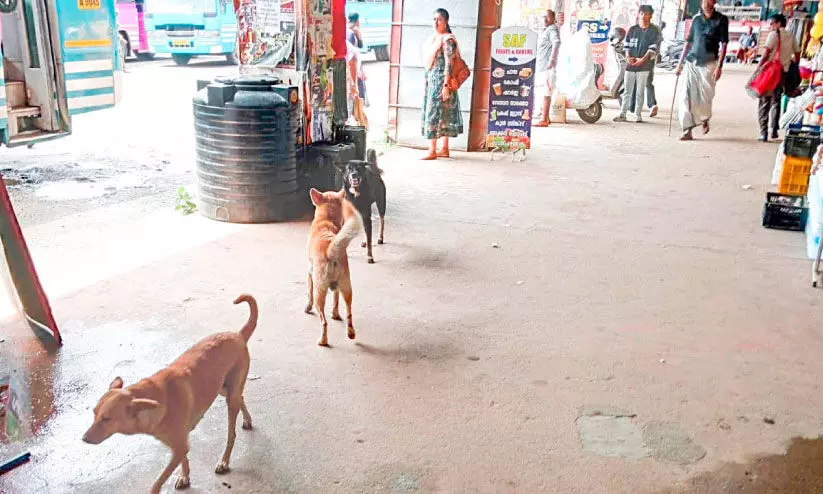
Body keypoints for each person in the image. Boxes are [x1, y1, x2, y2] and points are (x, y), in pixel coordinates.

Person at [675, 0, 728, 141]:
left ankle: (704, 118)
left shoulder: (721, 20)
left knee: (705, 96)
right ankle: (687, 130)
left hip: (710, 63)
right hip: (691, 61)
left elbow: (724, 44)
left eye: (709, 0)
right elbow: (689, 42)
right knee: (686, 96)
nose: (706, 3)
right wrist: (680, 63)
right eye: (704, 0)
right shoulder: (697, 20)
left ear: (714, 2)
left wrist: (719, 67)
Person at [421, 8, 464, 160]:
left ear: (446, 22)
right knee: (442, 115)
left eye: (439, 19)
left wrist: (446, 86)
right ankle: (443, 149)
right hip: (433, 81)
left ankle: (433, 150)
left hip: (442, 82)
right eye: (434, 19)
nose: (436, 22)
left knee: (435, 115)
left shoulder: (447, 40)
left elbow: (449, 63)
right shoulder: (434, 38)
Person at [756, 13, 800, 142]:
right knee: (776, 101)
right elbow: (797, 53)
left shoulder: (773, 35)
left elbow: (765, 53)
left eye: (771, 23)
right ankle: (773, 130)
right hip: (783, 73)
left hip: (770, 73)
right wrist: (791, 62)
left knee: (764, 102)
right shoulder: (791, 36)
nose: (770, 26)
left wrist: (758, 68)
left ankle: (763, 133)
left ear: (778, 24)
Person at [614, 5, 661, 123]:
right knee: (627, 91)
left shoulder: (653, 31)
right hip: (630, 66)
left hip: (645, 67)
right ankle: (622, 114)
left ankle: (637, 114)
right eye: (642, 13)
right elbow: (627, 46)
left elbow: (652, 49)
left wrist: (642, 60)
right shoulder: (632, 29)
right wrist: (628, 57)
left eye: (647, 14)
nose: (644, 16)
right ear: (638, 14)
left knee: (640, 91)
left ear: (651, 16)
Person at [534, 9, 561, 127]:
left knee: (546, 92)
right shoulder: (547, 30)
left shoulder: (552, 29)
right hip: (542, 66)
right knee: (543, 91)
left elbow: (557, 43)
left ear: (553, 18)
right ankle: (545, 117)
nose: (545, 19)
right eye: (543, 17)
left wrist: (552, 60)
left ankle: (544, 119)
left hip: (547, 67)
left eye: (547, 17)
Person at [347, 12, 369, 107]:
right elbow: (355, 49)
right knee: (355, 83)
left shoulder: (353, 31)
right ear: (356, 21)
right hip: (353, 63)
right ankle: (358, 104)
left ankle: (358, 104)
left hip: (355, 61)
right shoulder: (351, 32)